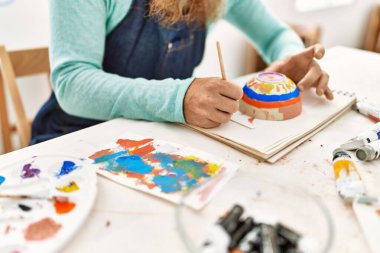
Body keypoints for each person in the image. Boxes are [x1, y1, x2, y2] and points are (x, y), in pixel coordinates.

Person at [31, 0, 334, 145]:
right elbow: (72, 83)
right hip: (74, 140)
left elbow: (275, 37)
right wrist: (178, 98)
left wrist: (291, 57)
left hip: (157, 141)